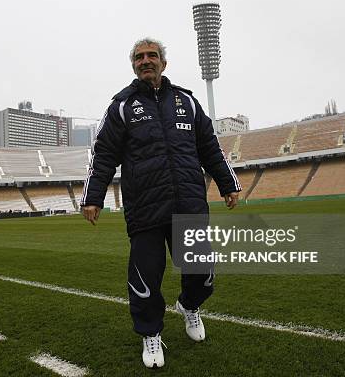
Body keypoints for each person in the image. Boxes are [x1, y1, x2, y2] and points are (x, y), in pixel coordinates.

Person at [80, 37, 241, 368]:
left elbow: (210, 147)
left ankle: (189, 306)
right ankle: (151, 335)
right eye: (139, 57)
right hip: (145, 210)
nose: (146, 61)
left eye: (152, 55)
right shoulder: (121, 107)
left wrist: (228, 183)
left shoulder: (187, 102)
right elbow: (104, 155)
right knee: (145, 280)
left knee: (202, 273)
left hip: (188, 205)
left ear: (163, 63)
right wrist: (93, 197)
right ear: (133, 65)